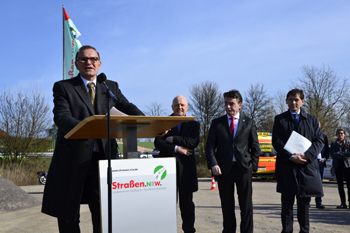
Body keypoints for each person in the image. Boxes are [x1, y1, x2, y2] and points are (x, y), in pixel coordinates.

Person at [42, 45, 144, 233]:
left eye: (93, 59)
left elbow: (128, 107)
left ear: (99, 63)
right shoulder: (64, 87)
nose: (89, 62)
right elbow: (62, 117)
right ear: (77, 64)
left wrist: (148, 123)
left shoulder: (109, 86)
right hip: (74, 159)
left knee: (104, 212)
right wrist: (87, 127)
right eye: (84, 59)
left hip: (104, 161)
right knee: (68, 214)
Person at [206, 89, 260, 233]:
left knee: (246, 206)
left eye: (232, 104)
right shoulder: (217, 123)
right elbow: (210, 146)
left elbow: (255, 147)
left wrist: (253, 166)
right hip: (224, 170)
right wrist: (213, 164)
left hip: (244, 169)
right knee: (227, 206)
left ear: (239, 105)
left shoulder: (249, 122)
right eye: (226, 104)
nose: (228, 107)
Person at [272, 88, 324, 233]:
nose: (293, 102)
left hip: (305, 168)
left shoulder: (312, 120)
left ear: (302, 101)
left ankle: (304, 231)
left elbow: (319, 141)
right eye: (290, 99)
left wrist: (308, 155)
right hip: (287, 167)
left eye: (296, 100)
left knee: (304, 206)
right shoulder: (279, 119)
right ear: (286, 101)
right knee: (287, 206)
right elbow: (276, 141)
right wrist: (291, 156)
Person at [154, 95, 200, 233]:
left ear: (187, 107)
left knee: (187, 206)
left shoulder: (194, 124)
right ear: (172, 107)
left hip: (186, 172)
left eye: (182, 105)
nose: (179, 107)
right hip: (167, 171)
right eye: (176, 105)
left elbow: (194, 142)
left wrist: (173, 139)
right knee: (167, 206)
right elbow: (158, 142)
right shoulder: (164, 123)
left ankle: (189, 230)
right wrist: (176, 148)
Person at [330, 128, 350, 209]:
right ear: (336, 135)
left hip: (348, 166)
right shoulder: (333, 144)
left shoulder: (348, 143)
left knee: (349, 185)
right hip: (338, 166)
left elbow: (349, 153)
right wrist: (343, 155)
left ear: (344, 134)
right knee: (340, 185)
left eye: (341, 133)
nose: (340, 135)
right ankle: (343, 203)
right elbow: (333, 154)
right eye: (338, 133)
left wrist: (340, 153)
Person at [313, 123, 329, 209]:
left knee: (319, 182)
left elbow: (326, 149)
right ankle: (307, 202)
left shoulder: (324, 136)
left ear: (320, 127)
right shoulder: (309, 134)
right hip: (311, 161)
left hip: (320, 162)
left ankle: (318, 202)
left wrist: (325, 158)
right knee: (309, 181)